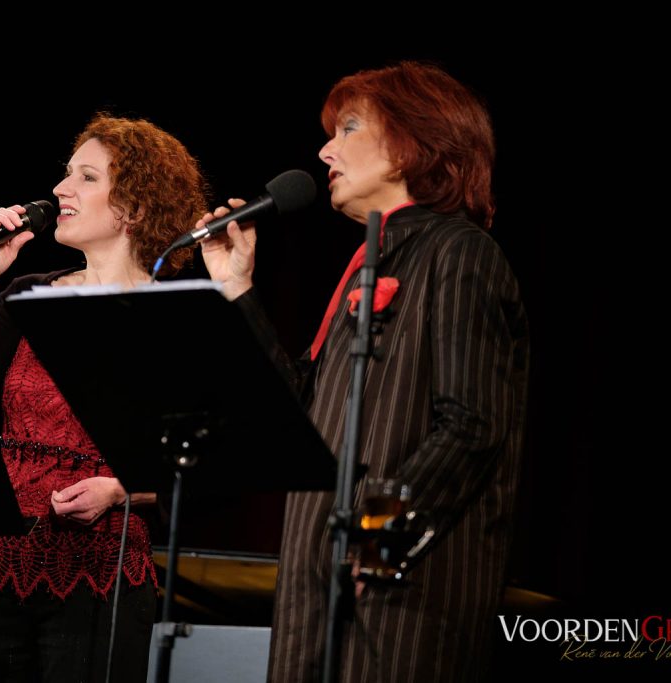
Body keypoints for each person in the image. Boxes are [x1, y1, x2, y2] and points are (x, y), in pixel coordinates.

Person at [200, 62, 529, 682]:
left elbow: (472, 425)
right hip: (314, 585)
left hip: (399, 597)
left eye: (348, 128)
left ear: (414, 142)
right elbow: (300, 408)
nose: (326, 149)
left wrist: (375, 541)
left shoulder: (460, 253)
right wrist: (237, 288)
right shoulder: (365, 263)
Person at [0, 114, 208, 682]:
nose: (60, 189)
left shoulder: (176, 316)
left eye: (86, 178)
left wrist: (118, 490)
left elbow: (201, 457)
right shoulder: (28, 294)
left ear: (135, 207)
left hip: (100, 575)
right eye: (66, 175)